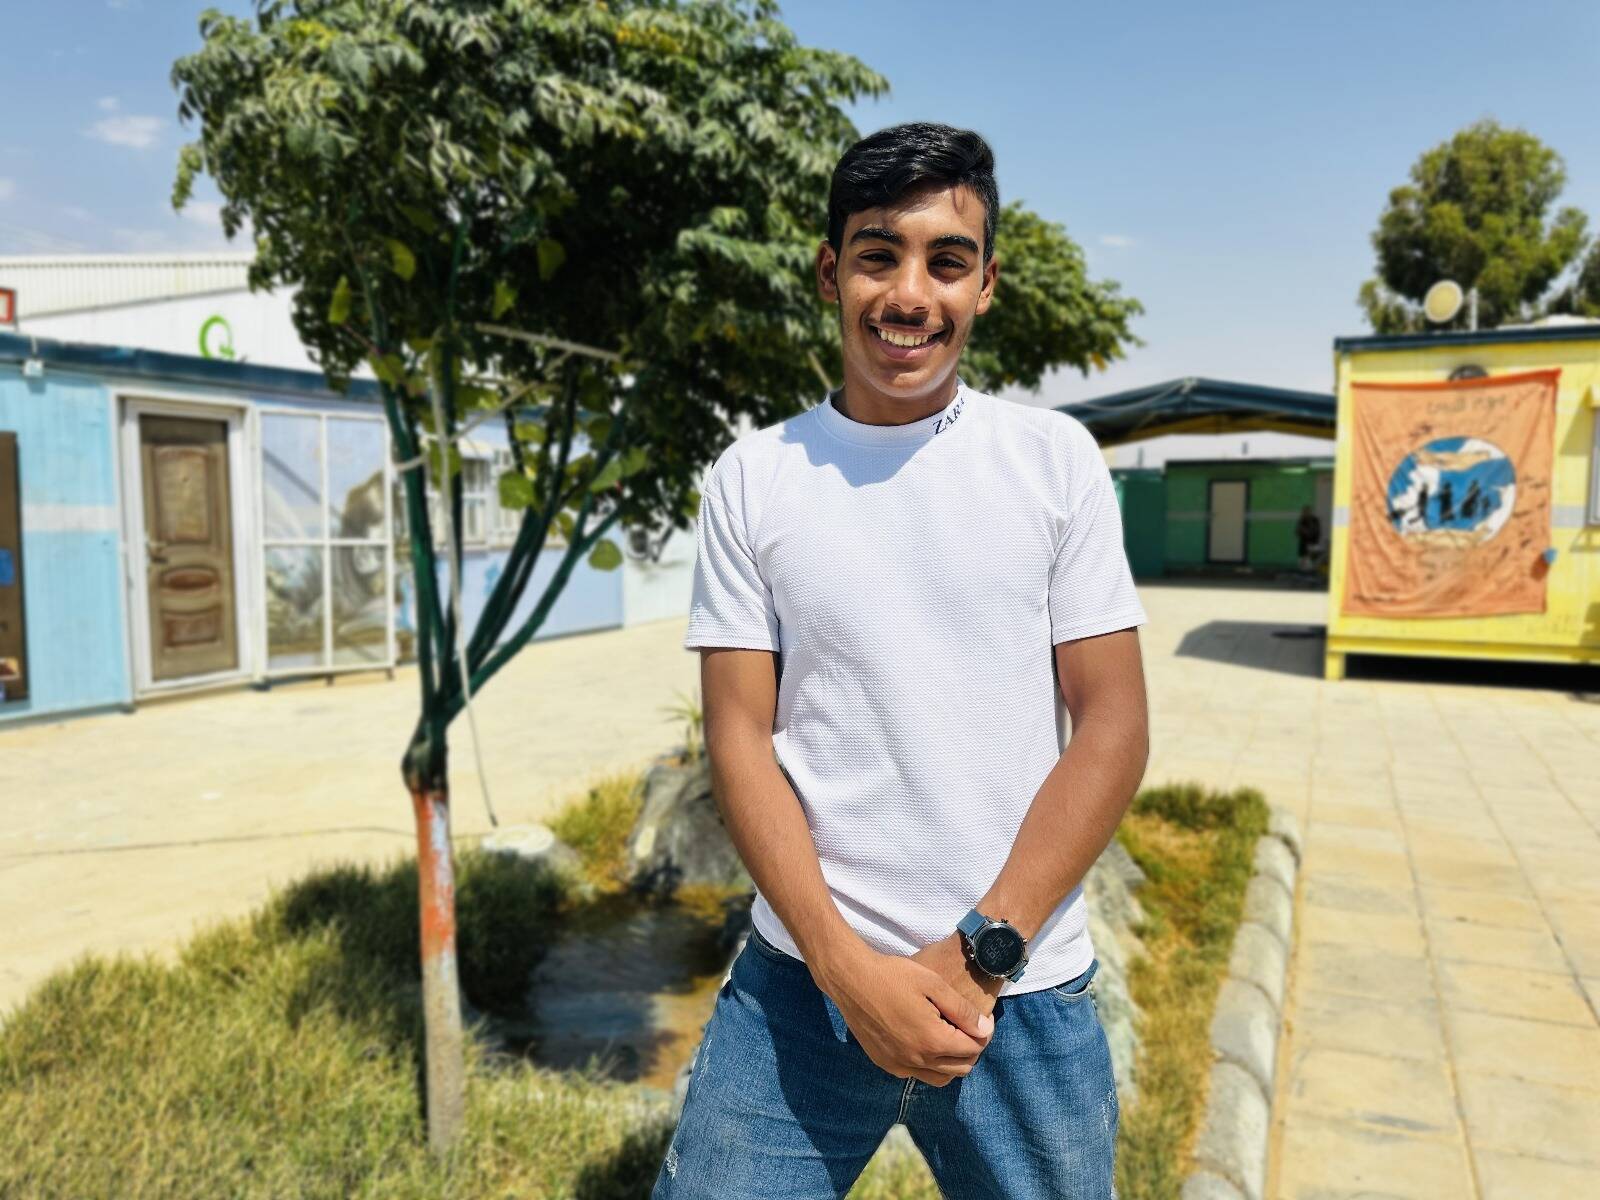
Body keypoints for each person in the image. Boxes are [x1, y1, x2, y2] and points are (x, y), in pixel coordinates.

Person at [652, 121, 1149, 1199]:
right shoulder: (755, 476)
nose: (909, 292)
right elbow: (738, 732)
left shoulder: (1051, 462)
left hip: (1015, 993)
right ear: (832, 272)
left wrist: (976, 954)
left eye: (946, 260)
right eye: (878, 254)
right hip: (802, 984)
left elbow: (1110, 725)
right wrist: (845, 970)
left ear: (985, 285)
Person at [1296, 504, 1322, 570]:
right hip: (1303, 543)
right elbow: (1297, 532)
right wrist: (1301, 530)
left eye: (1307, 511)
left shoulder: (1315, 520)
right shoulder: (1302, 520)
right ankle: (1303, 569)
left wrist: (1306, 530)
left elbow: (1315, 532)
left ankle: (1311, 569)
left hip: (1313, 543)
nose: (1305, 513)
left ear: (1310, 512)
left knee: (1311, 561)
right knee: (1302, 561)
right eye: (1304, 512)